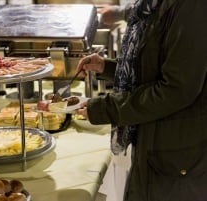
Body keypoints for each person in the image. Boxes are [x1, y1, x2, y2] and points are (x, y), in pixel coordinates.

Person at [75, 0, 207, 200]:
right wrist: (108, 67)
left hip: (177, 154)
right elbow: (155, 65)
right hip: (156, 143)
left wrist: (106, 108)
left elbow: (175, 90)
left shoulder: (192, 7)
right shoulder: (154, 4)